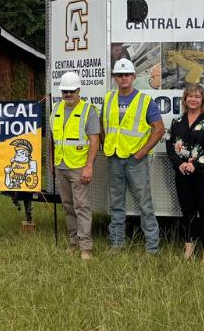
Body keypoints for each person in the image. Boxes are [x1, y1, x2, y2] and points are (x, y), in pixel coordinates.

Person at [101, 58, 165, 253]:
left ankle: (152, 247)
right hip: (114, 157)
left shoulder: (145, 101)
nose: (123, 79)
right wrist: (106, 144)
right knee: (116, 203)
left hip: (135, 160)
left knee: (144, 203)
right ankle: (117, 243)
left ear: (134, 77)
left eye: (126, 75)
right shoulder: (108, 98)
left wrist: (141, 153)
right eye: (119, 75)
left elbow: (159, 129)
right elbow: (103, 124)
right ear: (115, 78)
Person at [165, 84, 204, 265]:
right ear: (185, 99)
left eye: (197, 96)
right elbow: (169, 144)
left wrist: (195, 165)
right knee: (187, 212)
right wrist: (180, 164)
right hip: (183, 173)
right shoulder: (177, 120)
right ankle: (188, 248)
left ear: (203, 99)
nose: (193, 99)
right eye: (190, 96)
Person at [50, 71, 99, 260]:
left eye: (71, 91)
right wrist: (52, 164)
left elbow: (94, 140)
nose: (68, 95)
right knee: (68, 206)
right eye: (65, 92)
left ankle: (86, 247)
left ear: (79, 90)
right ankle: (73, 242)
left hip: (79, 167)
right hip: (61, 166)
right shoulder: (56, 109)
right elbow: (53, 140)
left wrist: (89, 166)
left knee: (82, 207)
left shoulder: (88, 110)